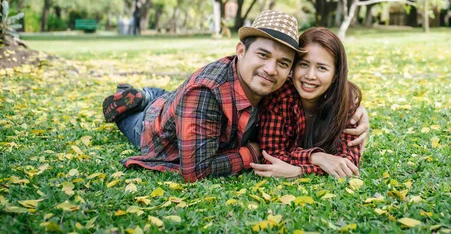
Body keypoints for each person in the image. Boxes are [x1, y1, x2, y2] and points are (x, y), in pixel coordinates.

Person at [102, 10, 368, 182]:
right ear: (241, 50)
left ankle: (152, 94)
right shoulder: (205, 93)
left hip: (189, 105)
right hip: (155, 130)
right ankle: (135, 99)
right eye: (262, 55)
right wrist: (253, 151)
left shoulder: (284, 78)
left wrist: (351, 102)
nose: (270, 69)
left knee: (172, 97)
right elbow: (196, 171)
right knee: (140, 117)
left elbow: (320, 77)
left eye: (283, 62)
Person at [251, 27, 364, 179]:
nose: (310, 76)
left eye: (322, 68)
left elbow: (348, 162)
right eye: (304, 64)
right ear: (293, 67)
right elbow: (272, 155)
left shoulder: (345, 101)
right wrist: (316, 157)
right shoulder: (280, 97)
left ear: (335, 75)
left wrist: (299, 171)